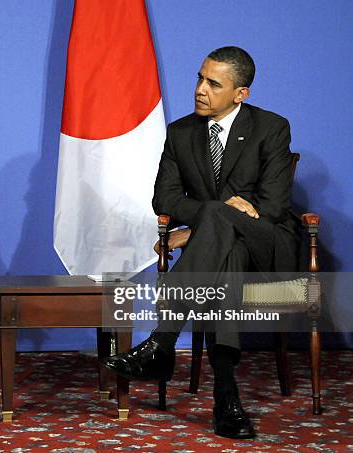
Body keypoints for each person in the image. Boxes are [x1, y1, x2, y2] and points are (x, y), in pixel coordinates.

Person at [103, 46, 298, 439]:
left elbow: (273, 207)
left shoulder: (271, 127)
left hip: (269, 246)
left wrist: (200, 226)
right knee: (226, 260)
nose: (200, 89)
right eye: (199, 78)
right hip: (228, 256)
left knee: (221, 230)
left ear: (240, 93)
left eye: (213, 83)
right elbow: (165, 199)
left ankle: (162, 341)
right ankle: (227, 399)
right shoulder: (180, 133)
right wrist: (218, 215)